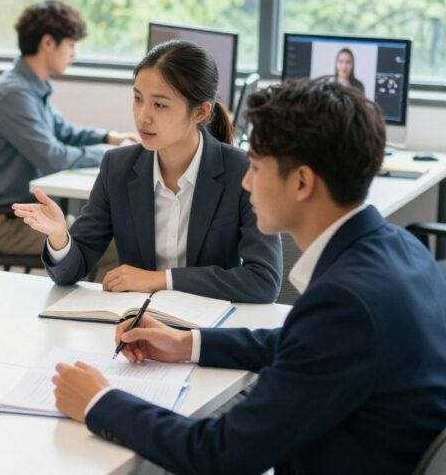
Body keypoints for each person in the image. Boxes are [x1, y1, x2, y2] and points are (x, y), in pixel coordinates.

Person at [51, 80, 446, 474]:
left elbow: (219, 454)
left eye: (255, 167)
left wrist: (99, 402)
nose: (244, 182)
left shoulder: (346, 302)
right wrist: (186, 342)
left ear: (302, 182)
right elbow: (306, 344)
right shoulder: (402, 248)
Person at [14, 41, 281, 303]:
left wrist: (161, 280)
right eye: (138, 99)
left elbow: (263, 280)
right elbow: (71, 271)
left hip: (210, 330)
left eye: (159, 105)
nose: (143, 117)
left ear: (200, 112)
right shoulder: (117, 167)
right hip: (138, 326)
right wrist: (60, 236)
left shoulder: (241, 171)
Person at [0, 0, 138, 256]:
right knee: (121, 246)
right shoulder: (14, 93)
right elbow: (53, 157)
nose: (74, 54)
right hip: (12, 226)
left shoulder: (29, 87)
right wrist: (114, 155)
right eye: (71, 45)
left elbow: (64, 131)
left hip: (33, 218)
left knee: (119, 236)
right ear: (48, 43)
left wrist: (110, 137)